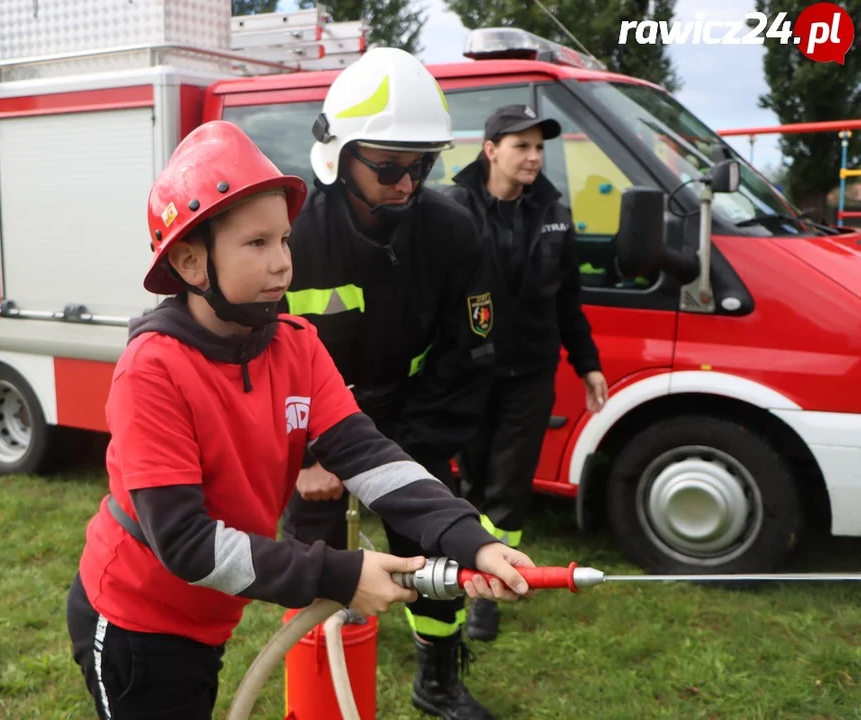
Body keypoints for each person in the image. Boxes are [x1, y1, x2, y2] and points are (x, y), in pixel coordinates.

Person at [64, 120, 537, 720]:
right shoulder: (152, 371)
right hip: (134, 621)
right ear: (189, 260)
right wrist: (338, 574)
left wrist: (470, 537)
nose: (284, 263)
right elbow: (186, 543)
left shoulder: (295, 343)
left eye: (285, 240)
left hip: (204, 619)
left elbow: (369, 455)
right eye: (257, 244)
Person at [279, 48, 501, 720]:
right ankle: (318, 686)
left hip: (412, 422)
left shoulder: (455, 231)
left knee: (435, 556)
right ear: (340, 156)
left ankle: (437, 680)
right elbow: (263, 358)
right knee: (315, 567)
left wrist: (405, 455)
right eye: (390, 167)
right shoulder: (289, 237)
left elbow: (470, 357)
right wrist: (309, 453)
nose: (408, 185)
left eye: (421, 166)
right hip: (315, 437)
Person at [444, 104, 610, 643]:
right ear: (490, 149)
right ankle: (467, 574)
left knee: (509, 485)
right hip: (469, 371)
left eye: (540, 147)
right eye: (522, 146)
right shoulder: (452, 206)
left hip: (531, 373)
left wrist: (587, 364)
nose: (535, 157)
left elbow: (568, 299)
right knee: (472, 479)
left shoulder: (554, 211)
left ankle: (491, 588)